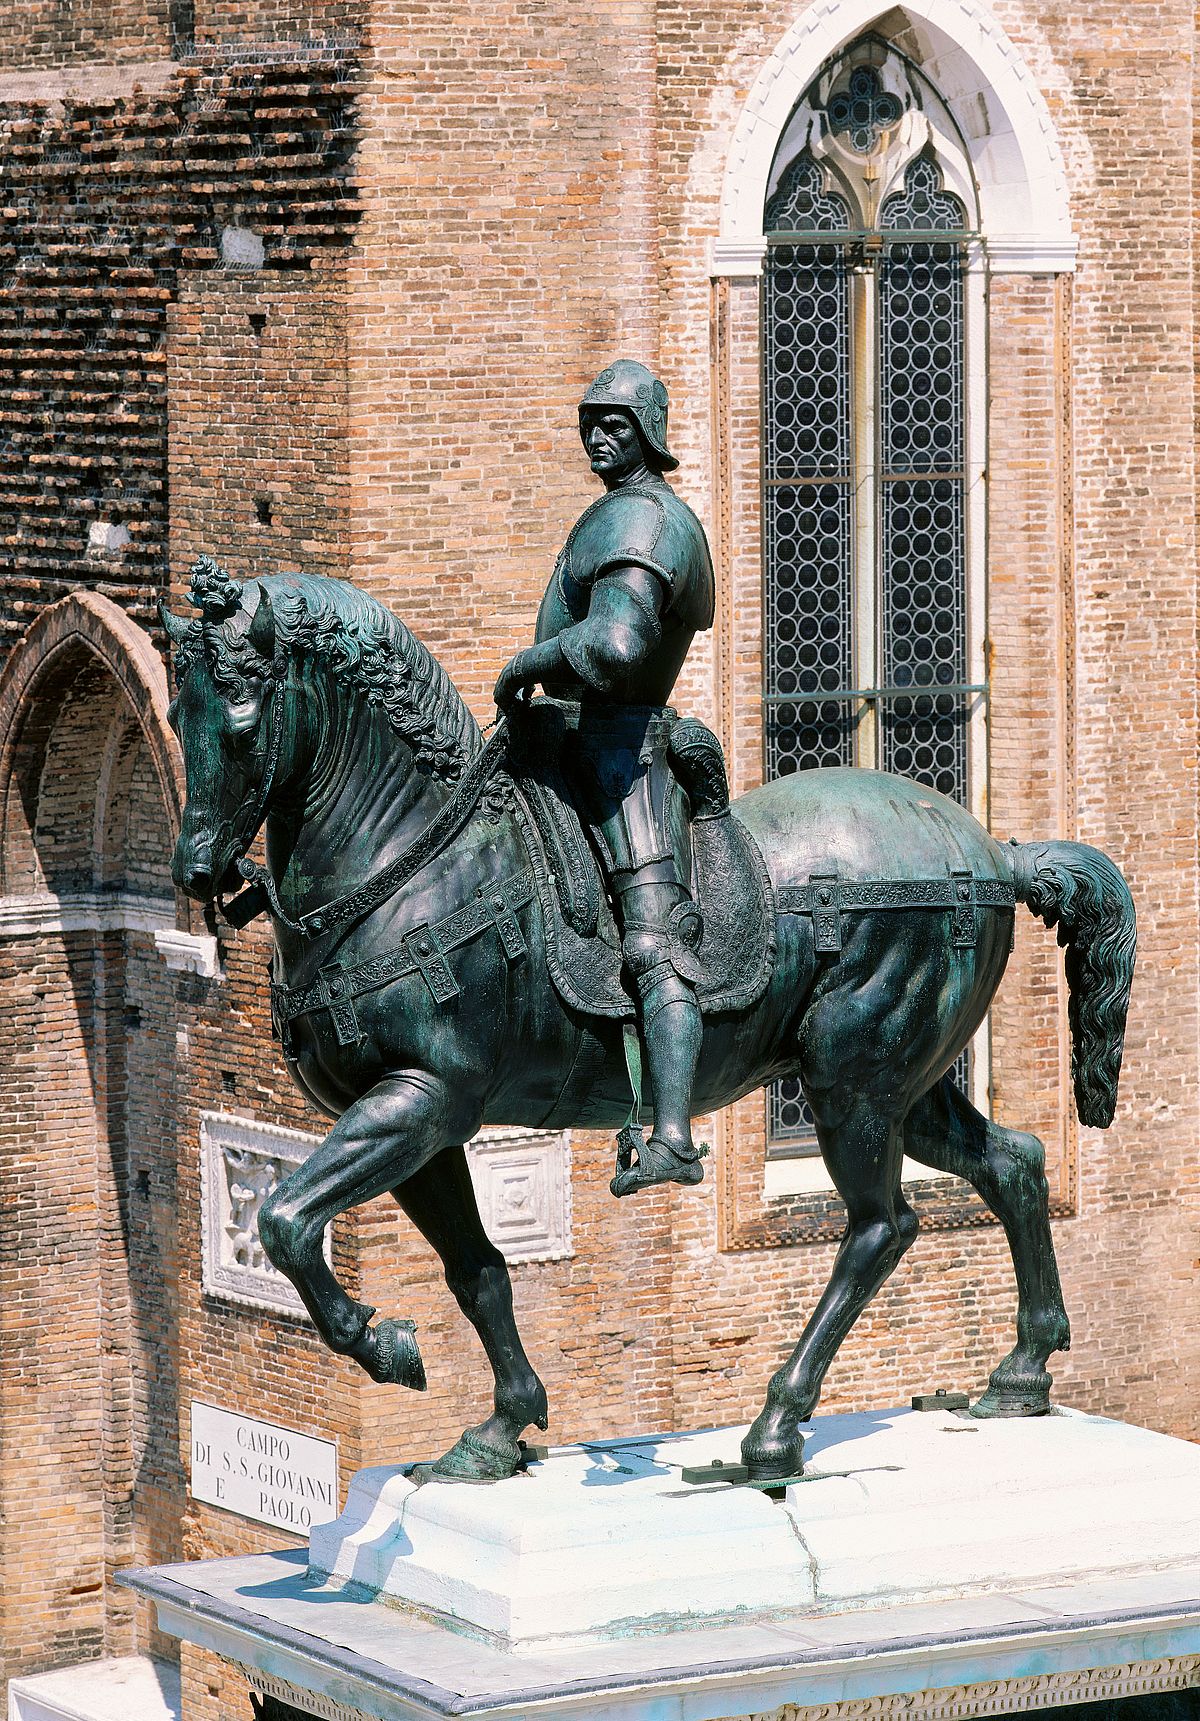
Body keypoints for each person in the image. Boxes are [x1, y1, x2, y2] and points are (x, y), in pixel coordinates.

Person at [494, 361, 716, 1196]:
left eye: (616, 422)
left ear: (649, 431)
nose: (597, 435)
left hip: (628, 757)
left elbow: (616, 647)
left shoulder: (651, 523)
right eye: (589, 420)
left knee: (654, 942)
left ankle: (671, 1135)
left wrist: (529, 660)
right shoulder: (611, 512)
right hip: (564, 737)